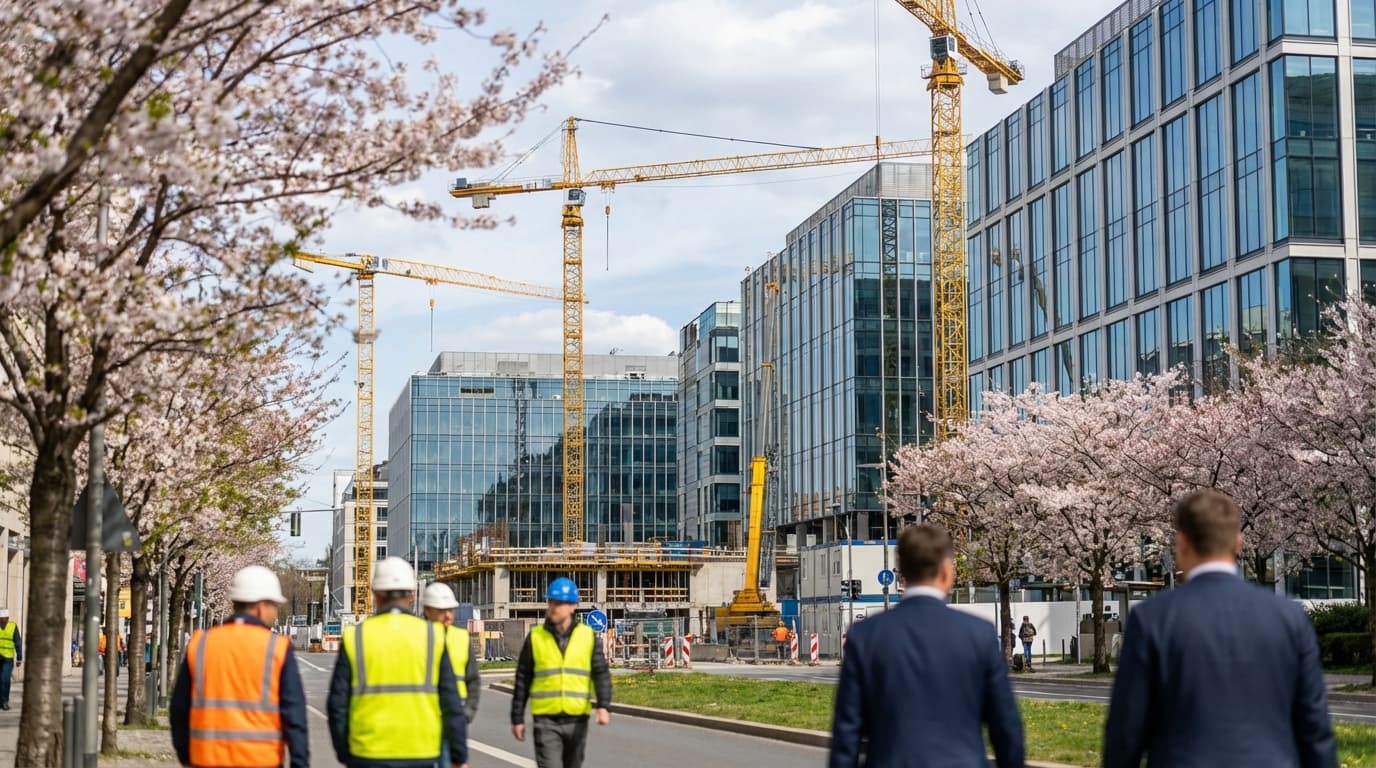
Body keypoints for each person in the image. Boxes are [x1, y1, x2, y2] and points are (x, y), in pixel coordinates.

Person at [1103, 490, 1336, 767]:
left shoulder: (1152, 619)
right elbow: (1314, 729)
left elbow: (1126, 732)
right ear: (1238, 543)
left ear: (1182, 542)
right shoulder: (1290, 618)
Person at [828, 524, 1023, 768]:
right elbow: (1006, 728)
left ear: (902, 572)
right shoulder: (979, 634)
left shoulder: (865, 636)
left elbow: (847, 732)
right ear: (945, 571)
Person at [327, 558, 467, 768]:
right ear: (411, 595)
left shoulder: (355, 636)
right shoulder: (433, 635)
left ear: (375, 594)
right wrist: (458, 756)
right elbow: (450, 703)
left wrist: (345, 753)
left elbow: (338, 704)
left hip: (368, 752)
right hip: (421, 751)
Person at [169, 566, 309, 768]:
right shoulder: (276, 647)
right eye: (275, 606)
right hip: (261, 761)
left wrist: (186, 756)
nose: (275, 612)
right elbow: (294, 715)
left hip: (206, 760)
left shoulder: (200, 644)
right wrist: (300, 762)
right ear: (262, 606)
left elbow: (179, 709)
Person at [510, 577, 612, 768]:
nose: (553, 607)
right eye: (551, 602)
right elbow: (523, 678)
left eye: (559, 603)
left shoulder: (586, 636)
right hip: (545, 720)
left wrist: (603, 705)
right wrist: (517, 717)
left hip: (577, 719)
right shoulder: (536, 637)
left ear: (572, 606)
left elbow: (600, 673)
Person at [421, 582, 481, 767]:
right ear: (427, 611)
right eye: (442, 611)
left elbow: (473, 680)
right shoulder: (418, 637)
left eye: (450, 610)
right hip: (425, 715)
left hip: (455, 714)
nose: (448, 616)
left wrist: (467, 712)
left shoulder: (461, 637)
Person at [0, 608, 22, 710]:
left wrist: (19, 657)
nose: (2, 621)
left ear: (8, 618)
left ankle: (4, 701)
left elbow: (18, 642)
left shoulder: (13, 627)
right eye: (0, 619)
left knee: (5, 680)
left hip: (7, 659)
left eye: (4, 619)